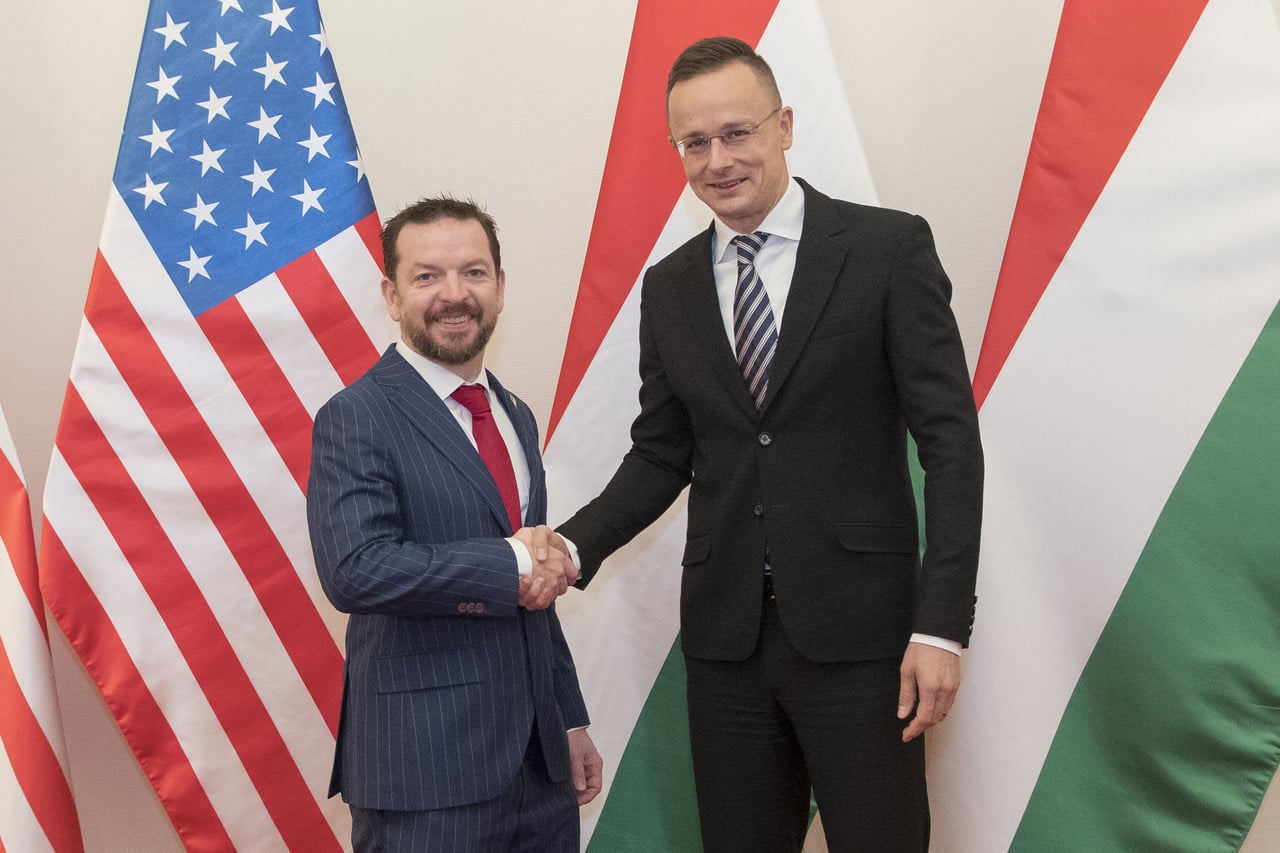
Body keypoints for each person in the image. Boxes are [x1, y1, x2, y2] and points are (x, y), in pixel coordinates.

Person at [555, 37, 983, 852]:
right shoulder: (670, 286)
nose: (718, 160)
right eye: (695, 142)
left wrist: (941, 627)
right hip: (727, 648)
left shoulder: (888, 250)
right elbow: (661, 452)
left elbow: (951, 444)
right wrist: (573, 546)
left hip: (867, 641)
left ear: (783, 126)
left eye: (736, 132)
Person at [307, 196, 601, 852]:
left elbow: (537, 594)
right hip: (425, 774)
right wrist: (510, 561)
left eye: (473, 272)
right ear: (392, 296)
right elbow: (354, 569)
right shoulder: (356, 415)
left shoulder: (515, 414)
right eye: (426, 276)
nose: (454, 294)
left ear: (499, 286)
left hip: (540, 772)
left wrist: (568, 718)